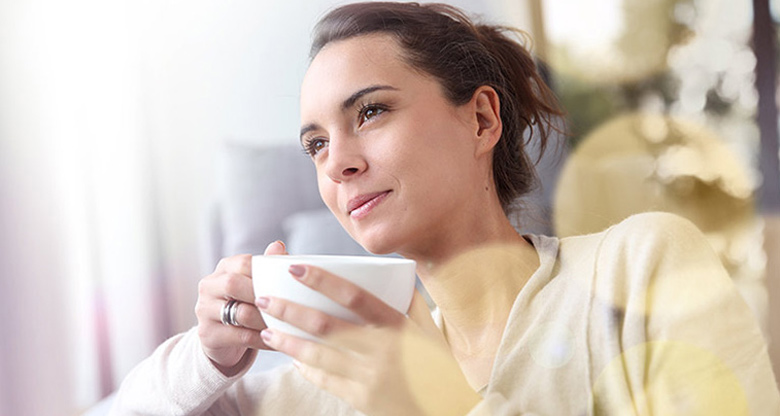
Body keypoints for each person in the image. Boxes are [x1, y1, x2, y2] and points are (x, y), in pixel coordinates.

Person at [111, 2, 780, 415]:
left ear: (482, 120)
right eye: (315, 144)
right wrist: (208, 357)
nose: (336, 162)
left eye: (370, 111)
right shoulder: (333, 374)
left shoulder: (639, 266)